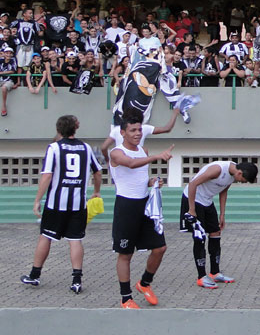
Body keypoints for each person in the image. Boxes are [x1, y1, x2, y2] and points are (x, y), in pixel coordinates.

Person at [20, 115, 102, 293]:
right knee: (75, 240)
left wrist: (37, 200)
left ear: (58, 130)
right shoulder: (86, 148)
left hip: (56, 204)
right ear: (76, 128)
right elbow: (98, 172)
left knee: (46, 236)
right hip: (78, 204)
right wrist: (96, 191)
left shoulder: (54, 148)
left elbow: (47, 175)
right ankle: (77, 280)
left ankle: (35, 275)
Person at [109, 114, 174, 308]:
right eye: (133, 130)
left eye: (139, 130)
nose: (138, 133)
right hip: (126, 207)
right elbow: (130, 164)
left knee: (160, 248)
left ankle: (144, 283)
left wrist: (153, 182)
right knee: (125, 254)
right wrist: (156, 157)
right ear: (123, 133)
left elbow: (141, 176)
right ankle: (126, 298)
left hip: (145, 206)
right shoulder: (116, 152)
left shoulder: (143, 151)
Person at [180, 160, 258, 289]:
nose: (240, 182)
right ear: (239, 173)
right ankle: (201, 277)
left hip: (207, 201)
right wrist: (191, 210)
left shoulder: (232, 176)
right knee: (200, 237)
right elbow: (193, 184)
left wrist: (222, 214)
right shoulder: (217, 169)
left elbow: (223, 191)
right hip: (193, 200)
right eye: (242, 180)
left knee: (216, 233)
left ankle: (215, 273)